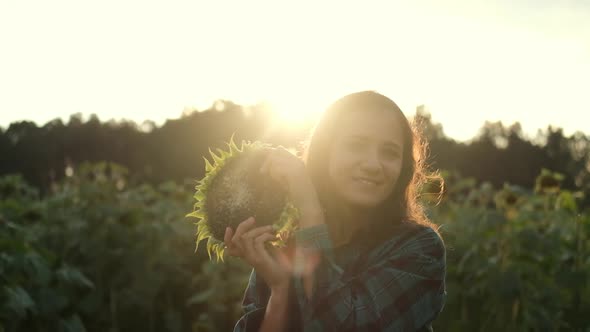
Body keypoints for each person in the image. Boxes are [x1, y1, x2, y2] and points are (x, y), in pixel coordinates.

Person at [224, 91, 447, 331]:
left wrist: (309, 208)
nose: (373, 164)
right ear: (325, 152)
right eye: (356, 146)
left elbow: (348, 325)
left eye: (390, 152)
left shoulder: (420, 249)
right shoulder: (285, 239)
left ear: (403, 167)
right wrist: (279, 291)